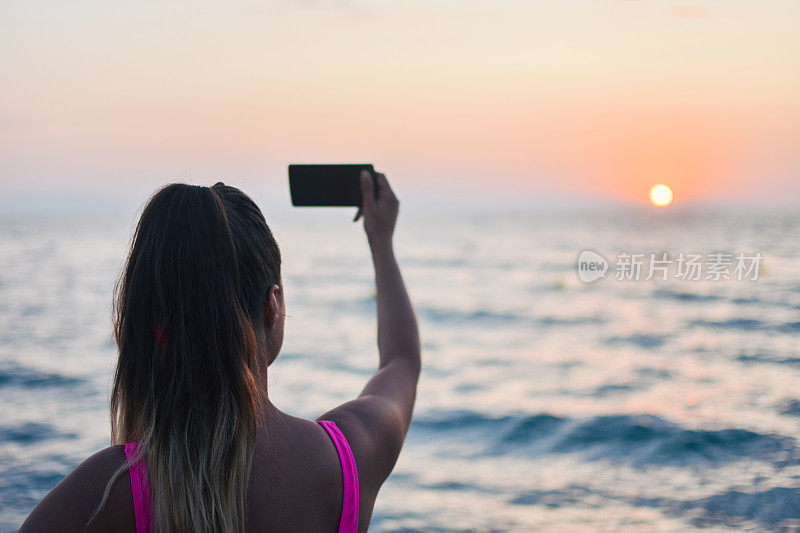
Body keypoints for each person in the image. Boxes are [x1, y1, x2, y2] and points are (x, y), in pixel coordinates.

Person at [20, 171, 421, 532]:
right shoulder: (348, 458)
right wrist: (380, 240)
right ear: (272, 305)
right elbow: (401, 360)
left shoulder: (110, 491)